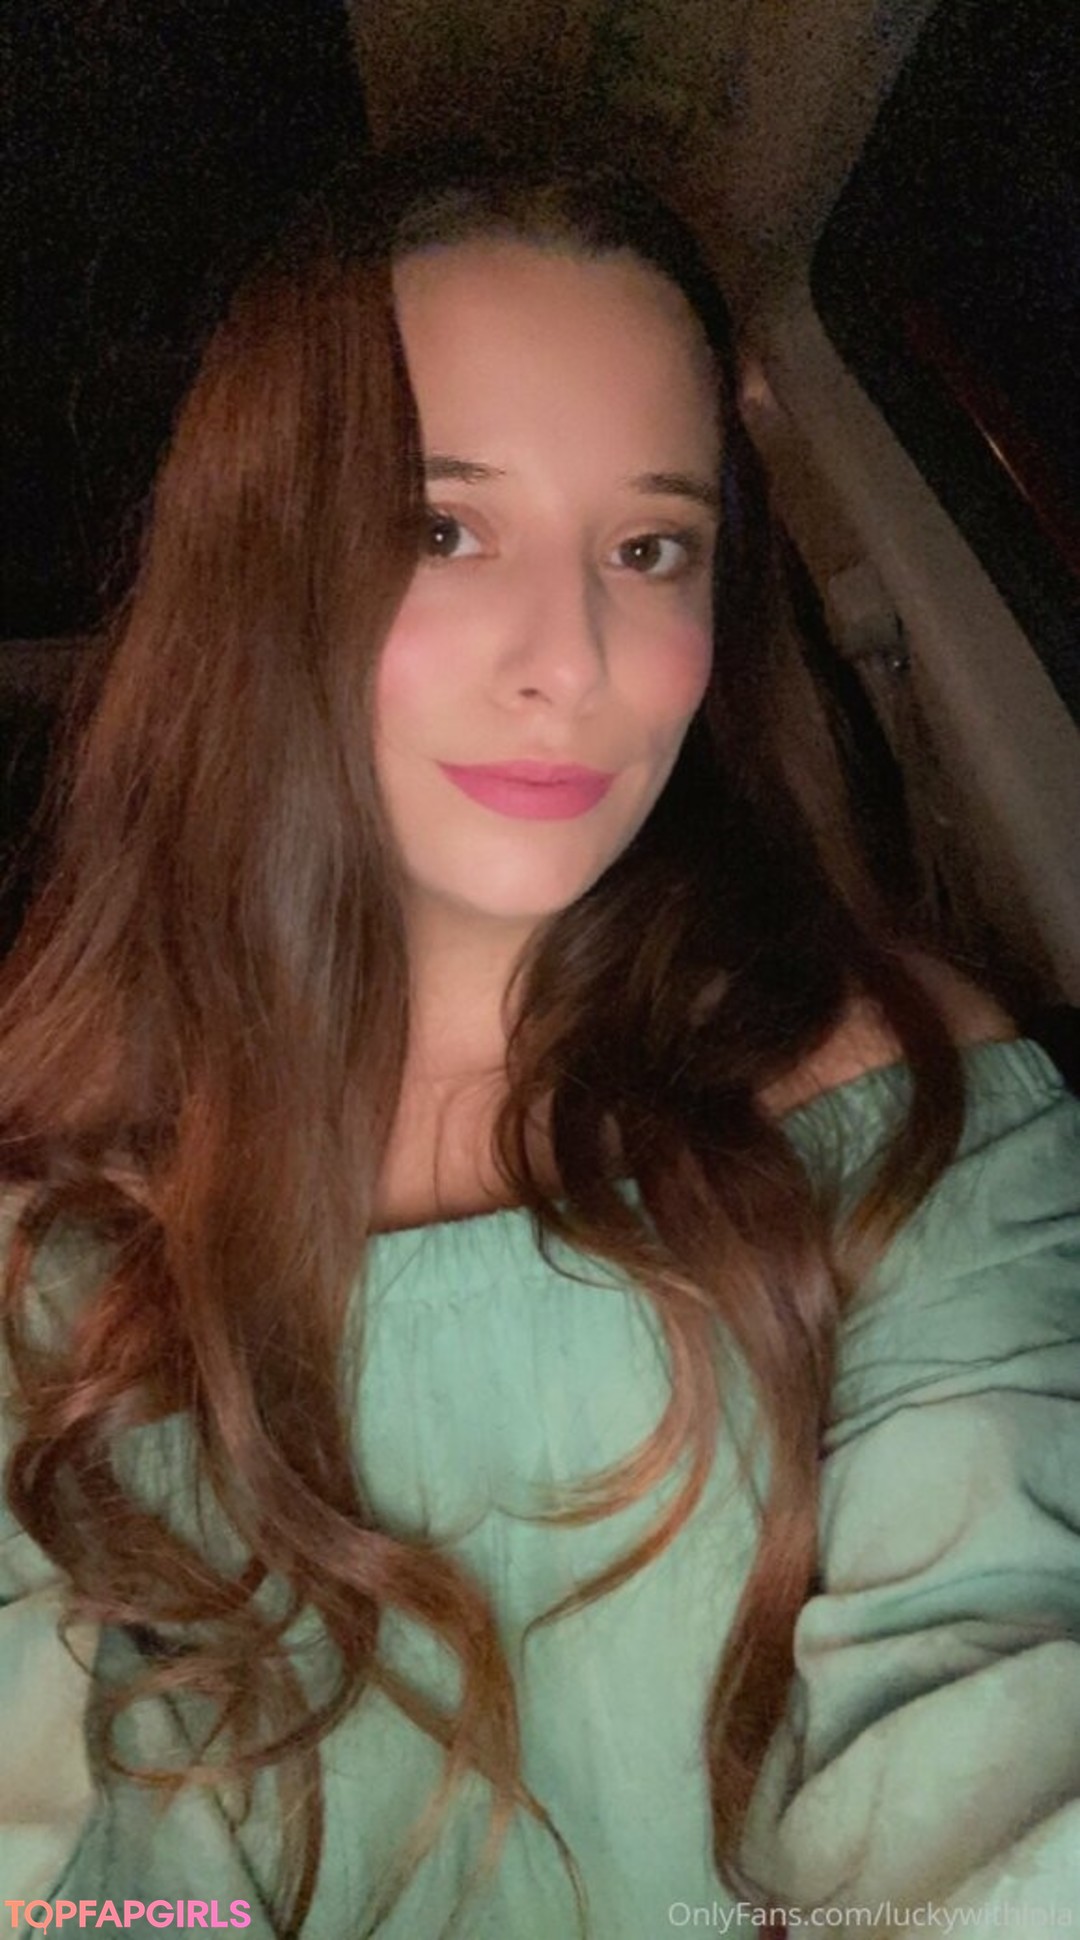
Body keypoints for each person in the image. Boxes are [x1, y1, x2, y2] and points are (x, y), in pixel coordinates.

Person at [0, 150, 1077, 1940]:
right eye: (445, 530)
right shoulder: (63, 1193)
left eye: (650, 550)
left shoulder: (898, 1106)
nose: (569, 659)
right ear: (261, 562)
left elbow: (996, 1736)